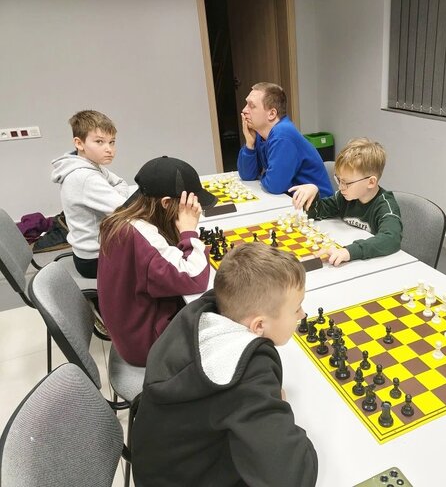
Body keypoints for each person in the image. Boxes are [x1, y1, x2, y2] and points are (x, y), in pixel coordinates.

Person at [131, 242, 318, 487]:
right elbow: (294, 478)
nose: (302, 315)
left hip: (158, 468)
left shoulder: (201, 315)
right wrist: (278, 408)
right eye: (297, 308)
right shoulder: (246, 372)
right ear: (259, 326)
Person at [97, 156, 216, 366]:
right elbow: (194, 277)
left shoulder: (122, 220)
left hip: (129, 328)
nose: (196, 210)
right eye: (189, 205)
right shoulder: (143, 238)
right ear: (166, 203)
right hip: (147, 344)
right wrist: (188, 231)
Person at [288, 137, 402, 266]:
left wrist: (349, 252)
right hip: (351, 260)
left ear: (371, 182)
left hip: (376, 264)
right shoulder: (344, 197)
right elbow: (318, 212)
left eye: (346, 182)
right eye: (339, 180)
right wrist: (312, 195)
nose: (341, 187)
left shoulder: (385, 206)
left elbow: (391, 239)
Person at [51, 110, 129, 278]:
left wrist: (113, 193)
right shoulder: (85, 176)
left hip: (89, 253)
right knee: (158, 258)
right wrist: (116, 195)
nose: (109, 149)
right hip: (96, 259)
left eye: (112, 142)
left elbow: (121, 183)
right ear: (79, 143)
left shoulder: (90, 165)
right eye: (99, 142)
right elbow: (125, 211)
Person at [237, 82, 333, 197]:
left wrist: (264, 175)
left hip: (318, 204)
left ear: (272, 114)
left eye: (251, 106)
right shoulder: (260, 134)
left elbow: (275, 185)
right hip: (290, 199)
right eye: (246, 104)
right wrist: (249, 144)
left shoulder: (283, 134)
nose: (244, 110)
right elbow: (247, 175)